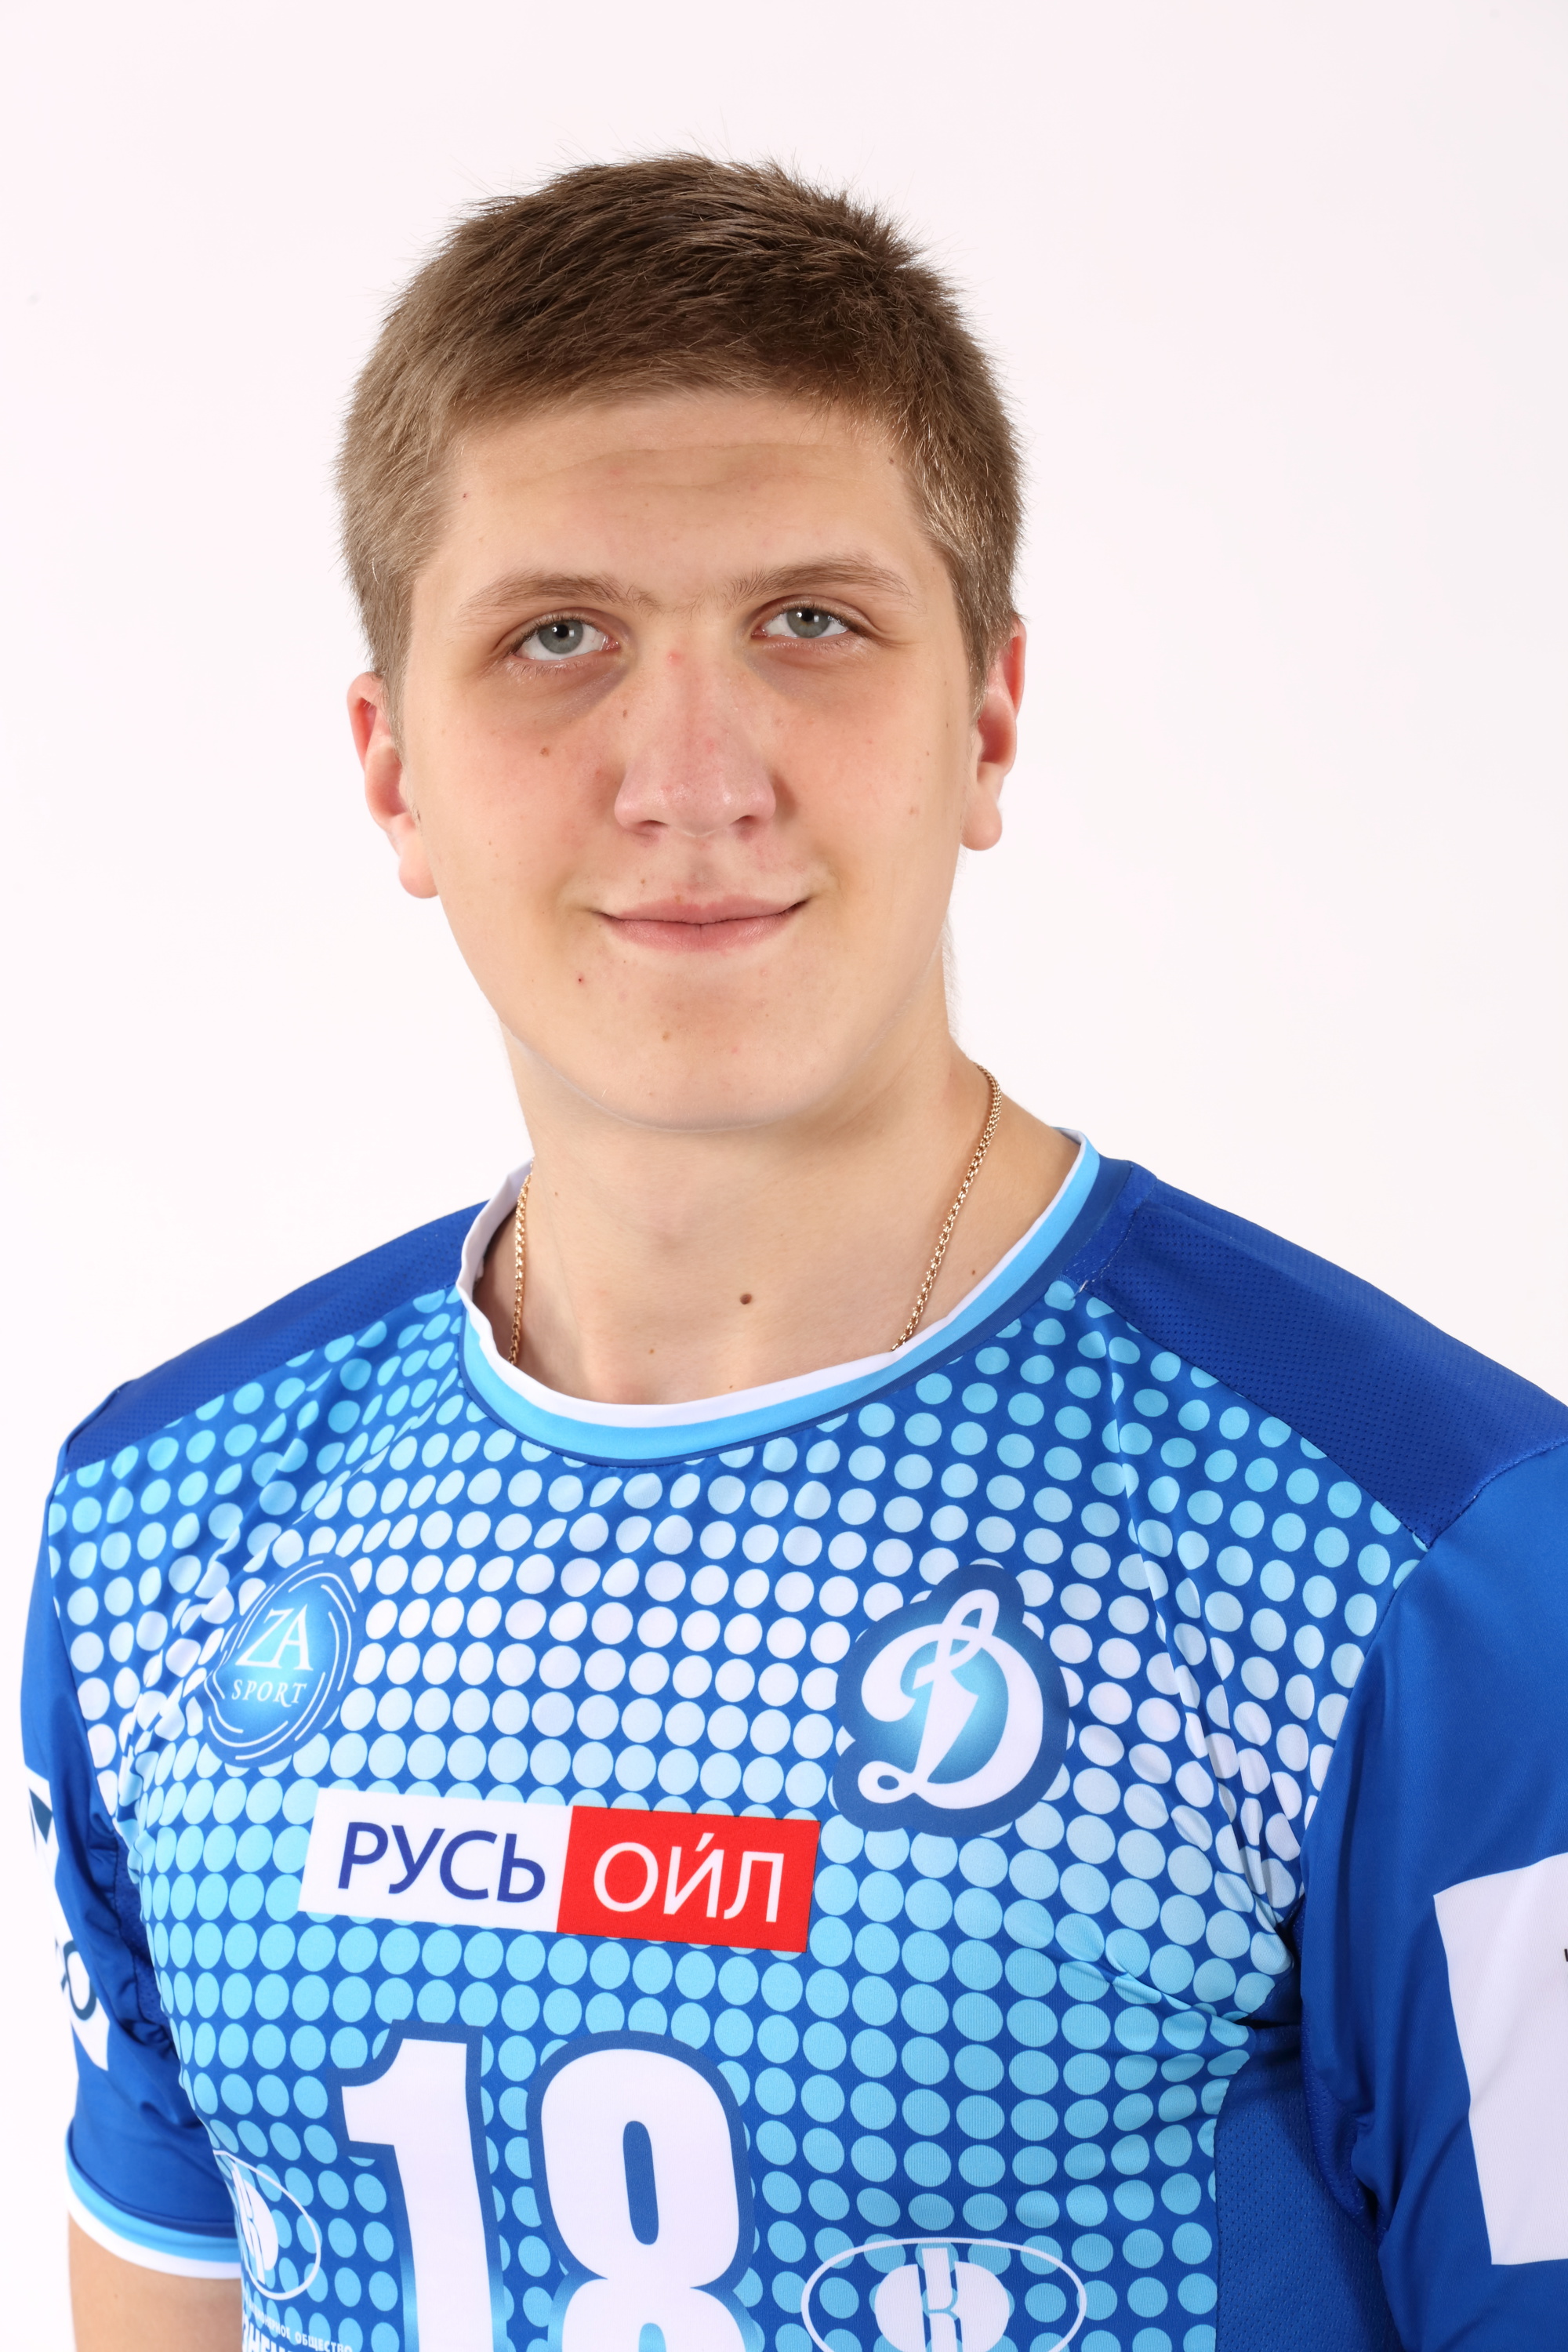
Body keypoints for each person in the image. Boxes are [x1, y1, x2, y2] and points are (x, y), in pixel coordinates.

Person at [22, 153, 1567, 2352]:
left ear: (988, 721)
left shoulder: (1421, 1560)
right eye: (558, 638)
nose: (693, 775)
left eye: (810, 624)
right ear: (392, 773)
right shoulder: (160, 1525)